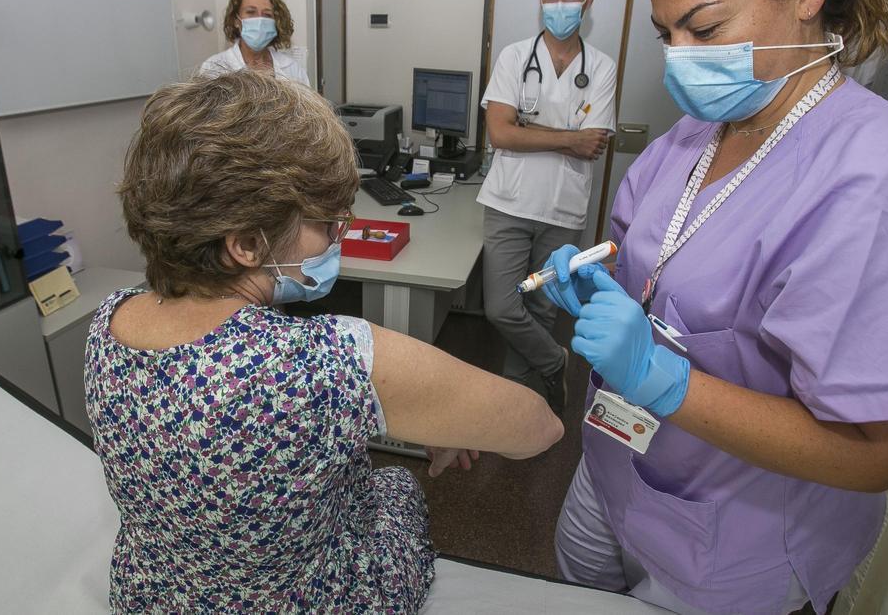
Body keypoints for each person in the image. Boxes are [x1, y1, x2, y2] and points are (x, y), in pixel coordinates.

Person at [541, 0, 888, 613]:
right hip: (614, 466)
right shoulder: (697, 134)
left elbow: (877, 454)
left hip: (727, 537)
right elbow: (658, 256)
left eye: (706, 28)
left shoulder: (886, 183)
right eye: (668, 34)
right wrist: (595, 273)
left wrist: (664, 378)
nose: (682, 56)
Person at [87, 70, 563, 612]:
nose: (340, 232)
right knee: (395, 486)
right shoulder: (324, 363)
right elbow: (538, 428)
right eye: (327, 222)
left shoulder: (109, 321)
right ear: (246, 243)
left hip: (152, 597)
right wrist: (439, 413)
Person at [479, 0, 617, 411]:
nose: (560, 5)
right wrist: (566, 139)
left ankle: (520, 405)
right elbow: (499, 132)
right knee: (501, 307)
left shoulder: (601, 67)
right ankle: (555, 364)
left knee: (541, 309)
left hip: (562, 211)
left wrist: (529, 130)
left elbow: (593, 143)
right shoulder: (515, 57)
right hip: (509, 203)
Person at [199, 0, 311, 87]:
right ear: (236, 20)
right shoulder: (213, 67)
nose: (260, 20)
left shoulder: (292, 68)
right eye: (251, 12)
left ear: (276, 22)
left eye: (267, 14)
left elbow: (308, 107)